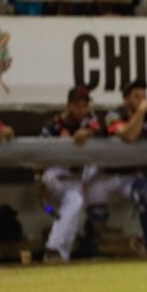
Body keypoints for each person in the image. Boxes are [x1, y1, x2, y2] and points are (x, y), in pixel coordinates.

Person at [83, 79, 147, 258]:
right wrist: (140, 112)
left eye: (143, 96)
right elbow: (129, 136)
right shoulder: (114, 115)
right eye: (136, 96)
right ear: (126, 100)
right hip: (104, 172)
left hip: (129, 174)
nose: (141, 100)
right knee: (96, 211)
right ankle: (90, 250)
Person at [39, 86, 101, 263]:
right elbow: (38, 159)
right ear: (68, 105)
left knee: (73, 206)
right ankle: (54, 248)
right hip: (54, 179)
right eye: (77, 105)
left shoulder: (90, 121)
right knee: (62, 208)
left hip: (77, 180)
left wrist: (88, 132)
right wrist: (41, 187)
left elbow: (100, 128)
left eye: (84, 105)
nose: (81, 110)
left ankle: (56, 252)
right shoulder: (53, 126)